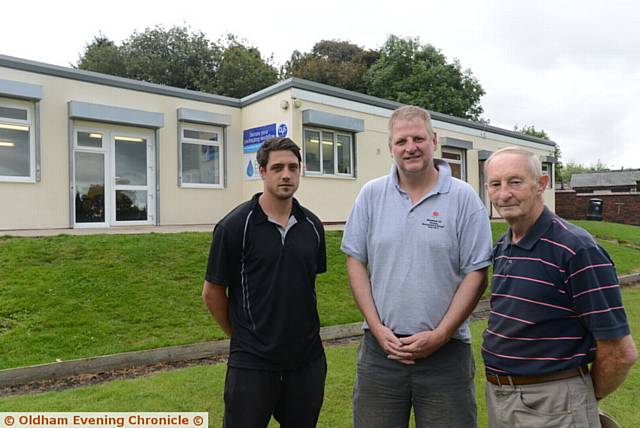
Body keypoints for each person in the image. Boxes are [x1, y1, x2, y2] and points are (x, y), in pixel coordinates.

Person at [341, 105, 493, 427]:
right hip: (381, 354)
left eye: (418, 138)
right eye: (401, 141)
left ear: (434, 140)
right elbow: (355, 261)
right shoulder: (370, 195)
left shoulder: (464, 198)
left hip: (446, 356)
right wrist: (377, 328)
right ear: (390, 146)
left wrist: (441, 334)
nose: (410, 147)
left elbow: (476, 274)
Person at [482, 147, 638, 428]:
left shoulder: (576, 249)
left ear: (541, 184)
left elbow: (619, 352)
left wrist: (583, 398)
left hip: (553, 402)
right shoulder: (505, 246)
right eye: (496, 184)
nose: (504, 193)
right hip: (500, 397)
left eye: (514, 182)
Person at [202, 137, 327, 428]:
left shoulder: (313, 226)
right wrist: (245, 337)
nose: (286, 174)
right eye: (277, 167)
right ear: (261, 171)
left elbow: (307, 285)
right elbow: (212, 294)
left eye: (293, 168)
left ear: (300, 171)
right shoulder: (234, 227)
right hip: (252, 365)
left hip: (306, 361)